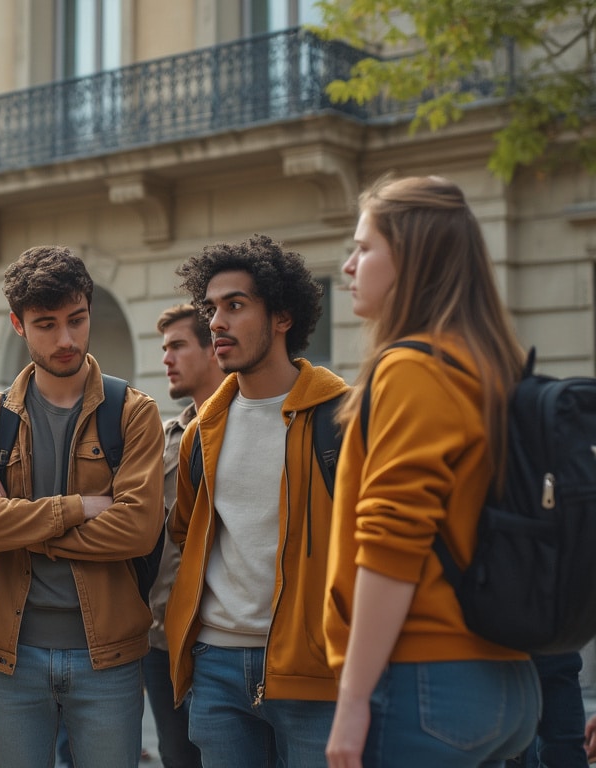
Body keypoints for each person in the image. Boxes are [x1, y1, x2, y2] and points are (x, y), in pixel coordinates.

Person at [324, 175, 542, 766]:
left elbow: (393, 541)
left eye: (365, 248)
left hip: (423, 678)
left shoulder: (413, 368)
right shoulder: (494, 365)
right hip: (508, 679)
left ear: (412, 256)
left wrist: (351, 698)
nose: (348, 266)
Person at [0, 245, 164, 768]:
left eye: (76, 320)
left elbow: (136, 529)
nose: (65, 339)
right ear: (18, 325)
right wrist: (80, 508)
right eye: (46, 324)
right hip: (10, 651)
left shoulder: (133, 413)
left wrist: (18, 523)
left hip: (108, 655)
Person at [165, 235, 347, 767]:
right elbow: (187, 530)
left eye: (235, 306)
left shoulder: (342, 419)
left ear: (283, 316)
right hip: (217, 666)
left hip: (313, 667)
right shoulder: (205, 429)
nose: (217, 322)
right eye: (212, 308)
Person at [144, 304, 222, 768]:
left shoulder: (246, 424)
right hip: (161, 641)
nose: (166, 359)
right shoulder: (165, 437)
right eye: (164, 348)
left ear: (213, 350)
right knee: (178, 758)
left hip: (224, 640)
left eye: (178, 346)